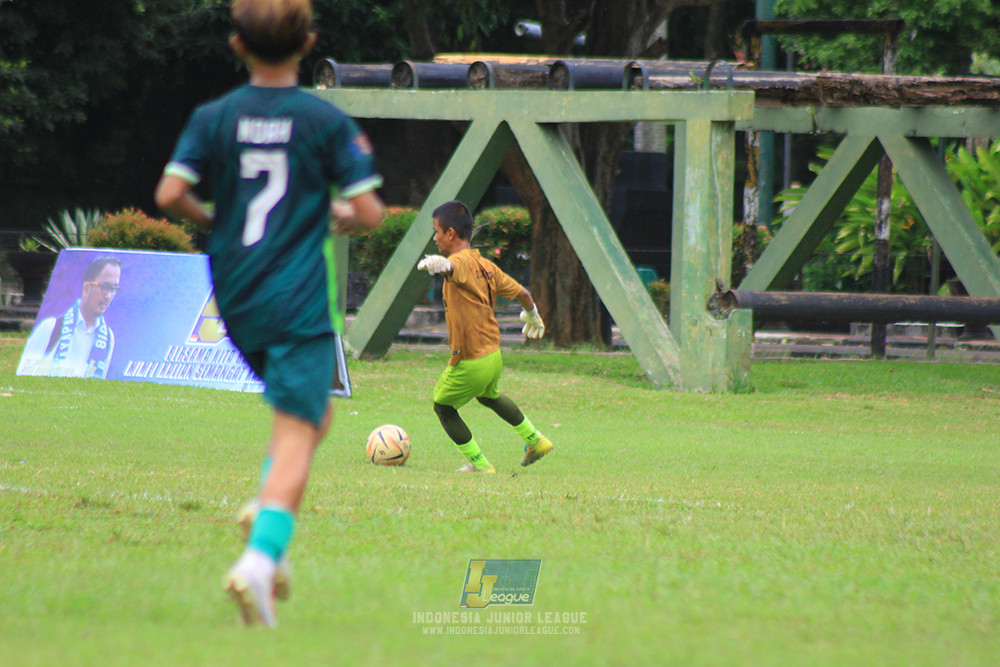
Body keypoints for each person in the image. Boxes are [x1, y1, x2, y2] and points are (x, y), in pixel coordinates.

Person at [154, 0, 384, 629]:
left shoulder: (214, 117)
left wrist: (216, 220)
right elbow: (370, 213)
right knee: (296, 435)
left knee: (314, 418)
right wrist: (332, 213)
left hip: (236, 295)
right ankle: (259, 561)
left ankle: (266, 508)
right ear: (308, 43)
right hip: (298, 298)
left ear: (235, 44)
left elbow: (171, 194)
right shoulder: (321, 120)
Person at [417, 200, 554, 473]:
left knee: (442, 406)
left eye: (437, 231)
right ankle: (535, 440)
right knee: (488, 396)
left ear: (451, 234)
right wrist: (532, 313)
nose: (434, 238)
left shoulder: (459, 262)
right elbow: (523, 294)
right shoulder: (486, 265)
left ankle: (480, 465)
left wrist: (441, 265)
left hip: (470, 359)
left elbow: (453, 270)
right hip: (493, 354)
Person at [17, 255, 121, 379]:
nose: (108, 296)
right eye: (105, 287)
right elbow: (24, 374)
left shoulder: (108, 338)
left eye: (114, 289)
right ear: (87, 288)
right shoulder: (50, 327)